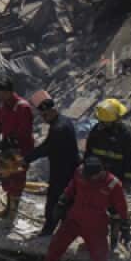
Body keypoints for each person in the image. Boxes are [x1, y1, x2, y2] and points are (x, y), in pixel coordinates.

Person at [42, 156, 130, 261]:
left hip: (95, 226)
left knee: (101, 257)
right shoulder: (80, 172)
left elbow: (122, 207)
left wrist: (125, 227)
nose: (87, 179)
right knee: (56, 245)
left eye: (90, 177)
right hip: (74, 219)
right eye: (85, 176)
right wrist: (62, 201)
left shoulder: (113, 184)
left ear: (100, 172)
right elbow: (71, 187)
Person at [25, 98, 81, 236]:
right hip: (68, 169)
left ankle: (49, 230)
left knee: (54, 203)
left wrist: (26, 159)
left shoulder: (59, 128)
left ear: (53, 111)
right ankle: (64, 229)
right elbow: (47, 145)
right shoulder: (62, 121)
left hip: (63, 171)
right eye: (41, 115)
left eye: (45, 115)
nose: (43, 119)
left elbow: (46, 148)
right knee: (66, 202)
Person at [0, 76, 34, 219]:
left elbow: (24, 131)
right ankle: (7, 208)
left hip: (21, 151)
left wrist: (10, 141)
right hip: (8, 149)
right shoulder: (3, 108)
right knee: (6, 179)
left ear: (8, 92)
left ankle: (13, 212)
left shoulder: (22, 107)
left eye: (0, 92)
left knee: (17, 181)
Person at [85, 98, 131, 192]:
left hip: (115, 179)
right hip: (96, 177)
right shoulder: (96, 131)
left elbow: (130, 159)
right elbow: (88, 152)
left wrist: (128, 180)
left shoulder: (126, 135)